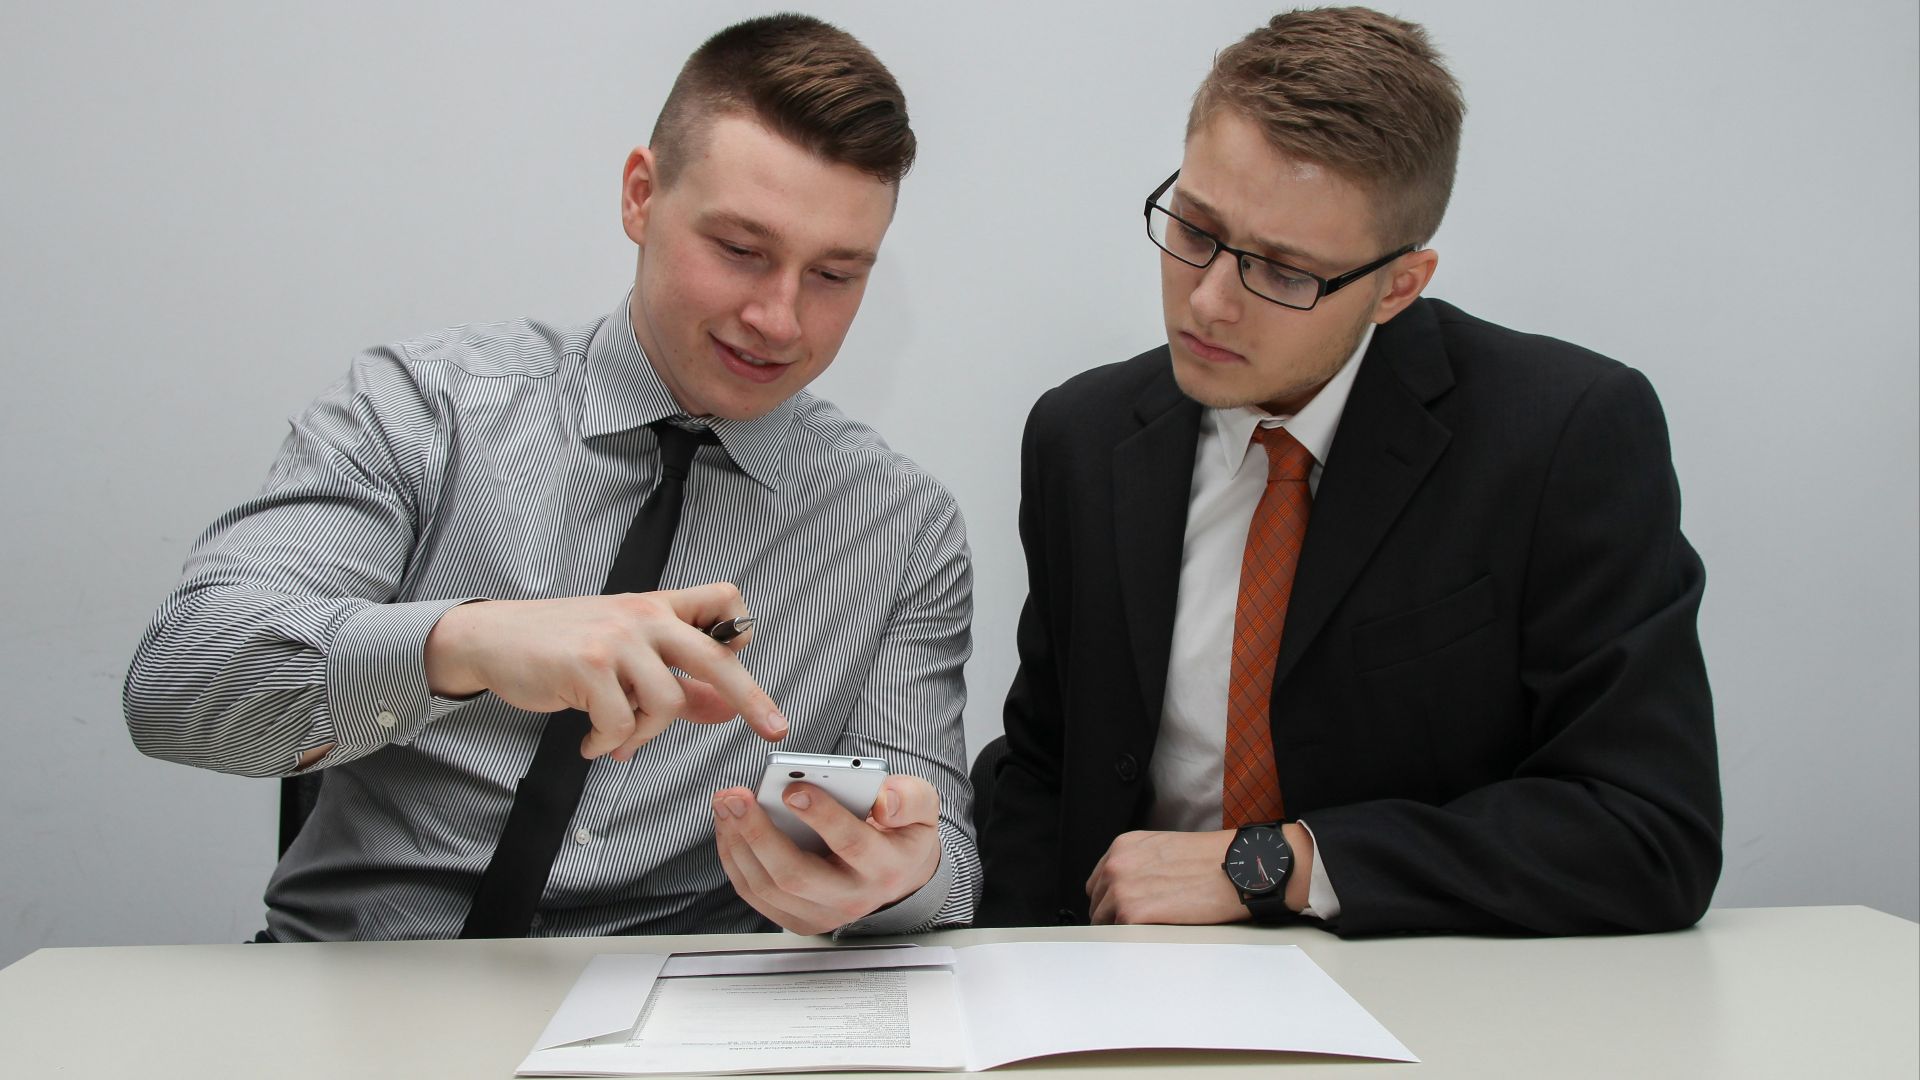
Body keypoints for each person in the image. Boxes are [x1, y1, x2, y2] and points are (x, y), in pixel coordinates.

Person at [125, 14, 978, 941]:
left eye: (835, 274)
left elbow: (942, 857)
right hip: (360, 988)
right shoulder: (425, 409)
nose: (779, 318)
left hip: (677, 1019)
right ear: (641, 196)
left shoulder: (900, 526)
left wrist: (898, 877)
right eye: (740, 250)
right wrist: (465, 645)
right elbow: (178, 685)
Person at [978, 6, 1720, 935]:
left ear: (1398, 287)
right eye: (1195, 229)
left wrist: (1274, 866)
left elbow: (1650, 829)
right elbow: (1045, 767)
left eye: (1283, 274)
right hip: (1127, 988)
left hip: (1424, 1000)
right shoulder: (1079, 437)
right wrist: (1005, 974)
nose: (1207, 301)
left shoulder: (1562, 436)